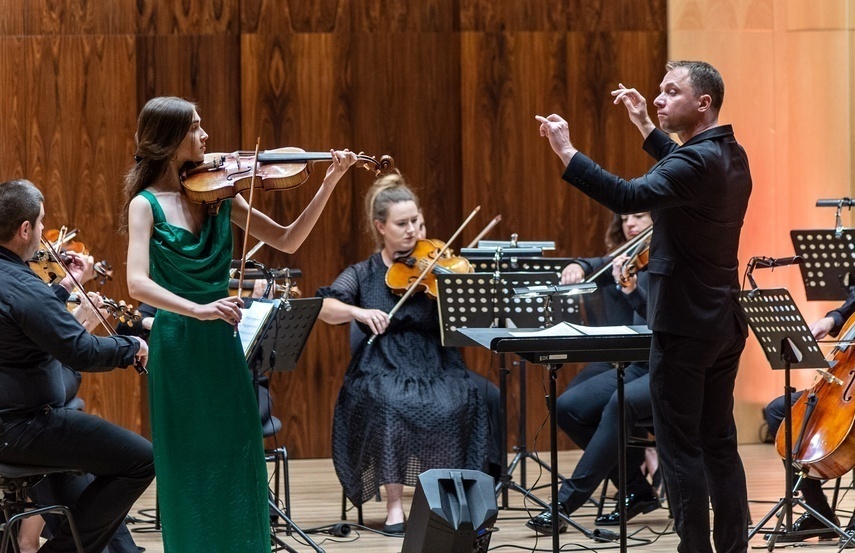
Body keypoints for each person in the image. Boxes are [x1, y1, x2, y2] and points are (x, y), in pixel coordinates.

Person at [123, 96, 357, 553]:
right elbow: (136, 284)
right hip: (178, 344)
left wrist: (329, 181)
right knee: (187, 463)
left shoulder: (221, 197)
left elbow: (288, 241)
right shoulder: (145, 206)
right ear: (171, 142)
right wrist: (199, 309)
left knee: (235, 455)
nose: (206, 136)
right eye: (195, 128)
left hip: (220, 346)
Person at [537, 60, 752, 553]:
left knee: (680, 449)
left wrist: (567, 151)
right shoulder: (731, 153)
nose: (657, 98)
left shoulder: (694, 163)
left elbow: (630, 193)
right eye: (659, 91)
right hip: (721, 321)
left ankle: (694, 548)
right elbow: (684, 168)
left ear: (703, 103)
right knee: (719, 442)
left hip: (683, 327)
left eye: (670, 92)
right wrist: (645, 127)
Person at [316, 173, 490, 534]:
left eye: (415, 221)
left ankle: (450, 505)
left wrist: (452, 286)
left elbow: (469, 317)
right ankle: (395, 506)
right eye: (402, 223)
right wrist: (358, 312)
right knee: (388, 403)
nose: (412, 230)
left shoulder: (434, 265)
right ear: (381, 226)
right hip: (383, 364)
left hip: (435, 361)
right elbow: (325, 306)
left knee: (462, 399)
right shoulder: (363, 274)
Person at [0, 178, 154, 553]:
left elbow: (25, 322)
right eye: (40, 223)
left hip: (15, 421)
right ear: (25, 230)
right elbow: (80, 351)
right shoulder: (24, 286)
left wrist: (64, 287)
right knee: (141, 460)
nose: (41, 232)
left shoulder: (18, 284)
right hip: (24, 426)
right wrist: (129, 345)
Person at [527, 253, 660, 534]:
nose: (633, 223)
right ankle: (636, 489)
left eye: (642, 216)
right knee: (567, 407)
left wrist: (634, 291)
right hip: (638, 363)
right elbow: (599, 260)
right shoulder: (636, 258)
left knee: (618, 402)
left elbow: (664, 319)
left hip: (667, 367)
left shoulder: (670, 258)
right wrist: (580, 265)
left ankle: (563, 505)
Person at [763, 292, 855, 546]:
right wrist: (831, 321)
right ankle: (821, 515)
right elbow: (850, 307)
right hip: (846, 379)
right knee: (778, 411)